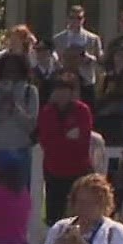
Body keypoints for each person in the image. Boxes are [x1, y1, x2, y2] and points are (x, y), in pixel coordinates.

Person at [36, 72, 95, 222]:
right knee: (54, 217)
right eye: (58, 90)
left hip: (78, 172)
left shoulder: (82, 111)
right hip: (54, 172)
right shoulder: (47, 112)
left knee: (80, 215)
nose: (61, 94)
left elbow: (82, 142)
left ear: (72, 92)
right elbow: (46, 143)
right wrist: (66, 137)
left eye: (65, 90)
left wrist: (60, 139)